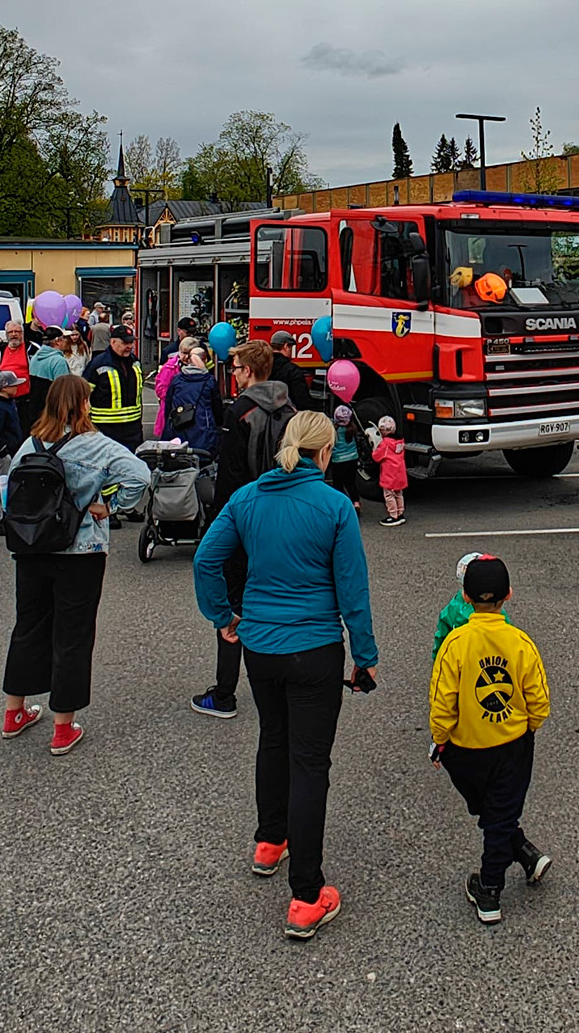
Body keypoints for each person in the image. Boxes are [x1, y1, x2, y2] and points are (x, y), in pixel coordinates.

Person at [194, 410, 380, 940]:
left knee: (273, 740)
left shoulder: (249, 497)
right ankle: (305, 894)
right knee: (310, 764)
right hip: (315, 647)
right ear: (324, 453)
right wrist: (363, 655)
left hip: (260, 644)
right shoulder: (334, 506)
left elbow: (207, 560)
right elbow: (353, 590)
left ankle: (270, 840)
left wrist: (223, 616)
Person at [1, 374, 150, 755]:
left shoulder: (31, 443)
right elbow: (139, 476)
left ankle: (14, 711)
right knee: (73, 632)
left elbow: (9, 491)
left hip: (32, 549)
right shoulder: (95, 445)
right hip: (79, 549)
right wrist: (109, 506)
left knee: (29, 625)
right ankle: (63, 726)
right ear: (83, 404)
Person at [428, 554, 553, 924]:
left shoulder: (455, 643)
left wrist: (440, 738)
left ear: (465, 597)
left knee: (493, 812)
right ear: (508, 595)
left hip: (466, 747)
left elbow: (442, 700)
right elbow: (538, 698)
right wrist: (530, 726)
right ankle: (518, 855)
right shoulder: (519, 642)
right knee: (500, 812)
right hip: (511, 743)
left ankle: (490, 888)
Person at [191, 340, 295, 721]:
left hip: (245, 517)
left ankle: (224, 694)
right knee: (279, 599)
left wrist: (217, 525)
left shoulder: (239, 411)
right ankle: (280, 683)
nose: (232, 374)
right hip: (284, 516)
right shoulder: (290, 408)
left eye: (235, 368)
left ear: (248, 372)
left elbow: (230, 477)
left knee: (233, 607)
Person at [431, 552, 515, 661]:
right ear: (508, 594)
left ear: (465, 594)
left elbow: (441, 636)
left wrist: (438, 657)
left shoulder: (452, 609)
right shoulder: (521, 641)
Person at [84, 324, 145, 452]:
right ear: (113, 342)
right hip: (106, 429)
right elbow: (83, 394)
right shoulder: (99, 363)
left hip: (133, 429)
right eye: (125, 343)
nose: (130, 346)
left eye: (131, 342)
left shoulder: (135, 362)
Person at [0, 370, 28, 536]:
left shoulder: (9, 403)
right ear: (3, 388)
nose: (17, 387)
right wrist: (4, 452)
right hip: (1, 454)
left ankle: (4, 516)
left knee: (6, 486)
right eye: (13, 385)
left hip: (8, 451)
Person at [159, 344, 221, 454]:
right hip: (203, 430)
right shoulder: (209, 381)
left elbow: (168, 405)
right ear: (205, 360)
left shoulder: (177, 379)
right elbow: (217, 408)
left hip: (179, 426)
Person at [151, 335, 196, 439]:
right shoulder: (169, 367)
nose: (186, 357)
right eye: (184, 353)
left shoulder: (200, 368)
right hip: (173, 413)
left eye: (189, 354)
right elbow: (160, 389)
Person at [268, 330, 317, 411]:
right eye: (291, 348)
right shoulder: (293, 371)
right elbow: (302, 401)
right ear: (286, 346)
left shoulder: (263, 368)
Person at [372, 415, 407, 526]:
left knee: (389, 495)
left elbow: (376, 457)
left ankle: (393, 515)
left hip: (389, 474)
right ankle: (400, 513)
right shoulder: (400, 442)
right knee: (398, 493)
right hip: (399, 473)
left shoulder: (385, 444)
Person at [328, 405, 361, 510]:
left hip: (338, 461)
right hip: (352, 459)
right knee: (350, 483)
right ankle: (356, 502)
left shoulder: (334, 430)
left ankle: (344, 503)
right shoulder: (353, 429)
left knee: (338, 484)